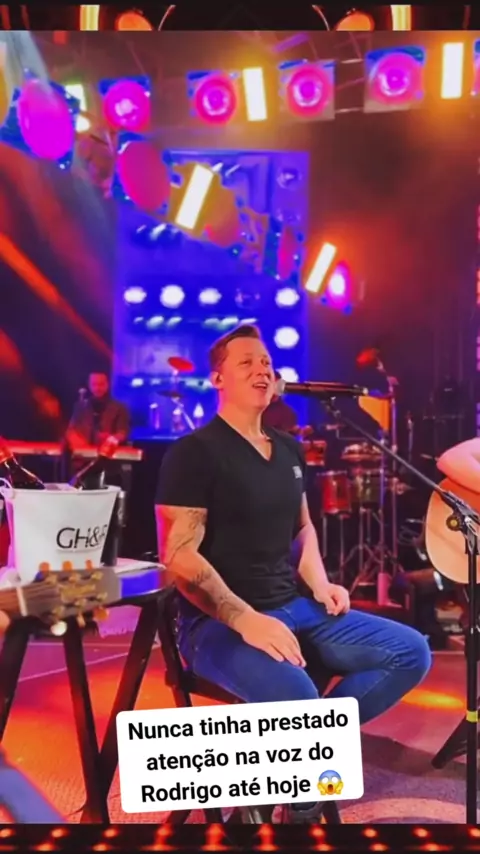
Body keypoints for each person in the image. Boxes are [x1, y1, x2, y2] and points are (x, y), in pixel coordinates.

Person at [155, 324, 431, 824]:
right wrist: (246, 620)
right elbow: (179, 555)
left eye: (266, 361)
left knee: (410, 652)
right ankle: (302, 803)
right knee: (298, 698)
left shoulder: (288, 448)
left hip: (294, 605)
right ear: (218, 379)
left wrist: (320, 583)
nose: (262, 369)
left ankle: (287, 769)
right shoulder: (194, 452)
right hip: (215, 624)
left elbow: (302, 529)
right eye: (246, 362)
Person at [66, 372, 130, 450]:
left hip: (109, 451)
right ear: (89, 385)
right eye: (94, 384)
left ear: (107, 385)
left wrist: (111, 439)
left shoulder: (119, 408)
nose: (97, 388)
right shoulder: (80, 406)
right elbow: (71, 430)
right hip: (83, 451)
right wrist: (77, 441)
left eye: (101, 384)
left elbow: (123, 433)